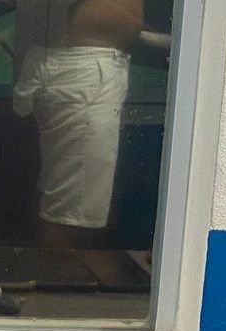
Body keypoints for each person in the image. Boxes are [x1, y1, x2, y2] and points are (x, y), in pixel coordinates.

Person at [11, 0, 167, 257]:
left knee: (75, 204)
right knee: (70, 216)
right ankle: (62, 276)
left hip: (83, 67)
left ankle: (64, 272)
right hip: (81, 70)